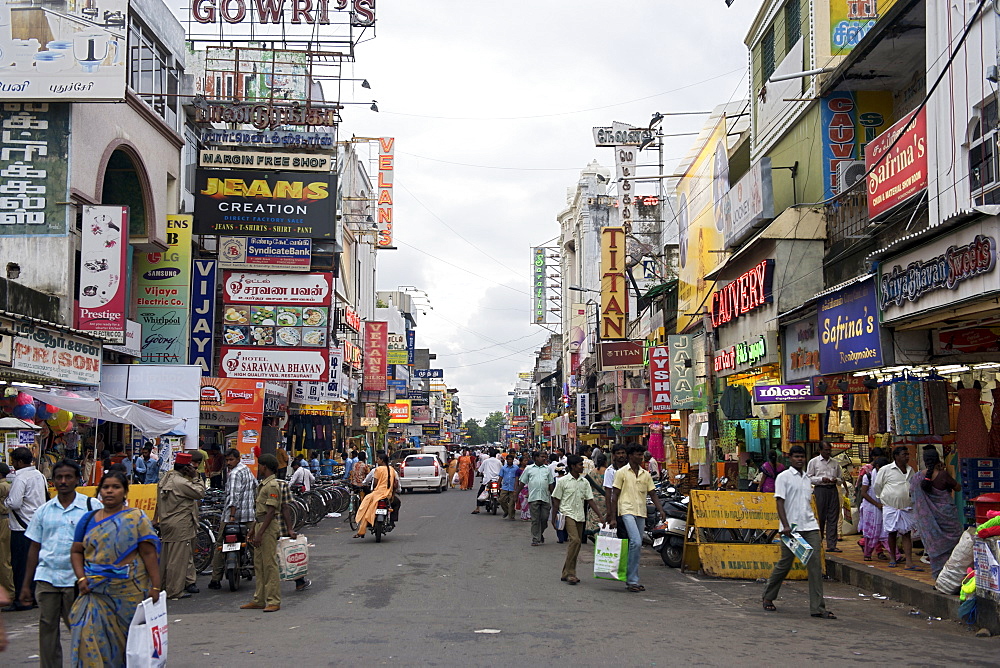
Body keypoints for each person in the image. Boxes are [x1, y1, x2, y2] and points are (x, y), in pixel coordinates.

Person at [69, 471, 162, 665]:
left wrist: (155, 586)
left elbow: (148, 553)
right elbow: (76, 551)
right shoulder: (88, 520)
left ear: (125, 492)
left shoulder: (136, 518)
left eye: (116, 487)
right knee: (89, 641)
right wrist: (81, 578)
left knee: (127, 647)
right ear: (99, 491)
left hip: (129, 594)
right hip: (94, 593)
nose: (110, 491)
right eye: (106, 487)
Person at [19, 460, 95, 668]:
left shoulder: (90, 507)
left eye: (68, 477)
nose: (63, 481)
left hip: (78, 581)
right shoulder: (43, 511)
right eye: (59, 477)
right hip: (48, 579)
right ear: (52, 481)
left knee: (81, 631)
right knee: (47, 631)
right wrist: (27, 584)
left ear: (78, 480)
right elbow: (34, 547)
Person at [762, 445, 835, 618]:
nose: (799, 459)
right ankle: (768, 596)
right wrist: (785, 525)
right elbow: (779, 502)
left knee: (815, 565)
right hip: (792, 530)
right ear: (790, 458)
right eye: (796, 457)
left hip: (810, 526)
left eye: (802, 456)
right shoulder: (783, 477)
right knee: (785, 563)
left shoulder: (806, 479)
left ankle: (817, 607)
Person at [610, 445, 666, 592]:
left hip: (641, 511)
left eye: (641, 455)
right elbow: (614, 495)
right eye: (638, 455)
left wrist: (661, 510)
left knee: (637, 543)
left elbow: (653, 493)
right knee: (635, 541)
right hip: (626, 510)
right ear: (630, 456)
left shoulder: (645, 474)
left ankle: (631, 577)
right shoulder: (621, 473)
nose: (640, 457)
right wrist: (613, 517)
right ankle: (632, 579)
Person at [154, 451, 205, 600]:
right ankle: (174, 591)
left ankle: (163, 586)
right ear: (185, 469)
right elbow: (199, 492)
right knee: (178, 559)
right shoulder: (181, 483)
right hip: (180, 524)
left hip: (166, 521)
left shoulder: (166, 478)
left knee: (166, 557)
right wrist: (196, 478)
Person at [4, 446, 47, 612]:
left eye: (13, 461)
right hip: (37, 526)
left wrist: (6, 502)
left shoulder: (21, 478)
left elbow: (14, 502)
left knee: (20, 565)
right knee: (34, 565)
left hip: (21, 528)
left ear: (20, 462)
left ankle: (22, 600)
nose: (13, 464)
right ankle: (34, 597)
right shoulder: (39, 475)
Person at [209, 449, 258, 589]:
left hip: (232, 516)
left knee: (220, 545)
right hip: (249, 515)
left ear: (238, 459)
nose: (229, 463)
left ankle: (215, 579)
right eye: (227, 460)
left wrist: (231, 516)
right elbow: (255, 486)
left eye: (231, 460)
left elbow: (234, 497)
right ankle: (260, 573)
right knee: (253, 543)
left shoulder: (235, 473)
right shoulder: (246, 470)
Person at [911, 446, 963, 578]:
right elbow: (957, 487)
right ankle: (951, 578)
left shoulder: (917, 478)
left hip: (929, 523)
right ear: (937, 459)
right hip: (947, 519)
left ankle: (939, 577)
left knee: (936, 550)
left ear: (924, 460)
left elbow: (911, 495)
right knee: (954, 547)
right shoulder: (943, 475)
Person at [241, 455, 285, 612]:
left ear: (265, 467)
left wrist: (260, 532)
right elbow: (260, 512)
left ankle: (273, 600)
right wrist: (254, 529)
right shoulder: (263, 484)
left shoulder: (272, 485)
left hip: (267, 527)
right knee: (258, 564)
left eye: (259, 466)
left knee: (269, 564)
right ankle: (259, 599)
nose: (258, 469)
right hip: (260, 524)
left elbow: (271, 511)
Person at [551, 455, 603, 585]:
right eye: (580, 465)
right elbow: (556, 500)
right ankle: (571, 573)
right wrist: (553, 518)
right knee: (575, 540)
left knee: (577, 544)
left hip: (580, 515)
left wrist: (600, 516)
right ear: (573, 466)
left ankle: (565, 572)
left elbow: (590, 500)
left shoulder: (584, 482)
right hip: (567, 514)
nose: (582, 467)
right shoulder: (563, 481)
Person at [874, 446, 917, 569]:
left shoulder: (910, 470)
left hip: (906, 507)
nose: (907, 457)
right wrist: (884, 497)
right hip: (890, 506)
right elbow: (877, 486)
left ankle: (909, 561)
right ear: (896, 456)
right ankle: (893, 557)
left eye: (908, 454)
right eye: (904, 454)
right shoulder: (886, 470)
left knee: (906, 533)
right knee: (892, 533)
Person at [806, 442, 846, 552]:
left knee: (833, 517)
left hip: (832, 490)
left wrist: (835, 480)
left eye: (829, 450)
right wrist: (821, 479)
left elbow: (841, 478)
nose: (828, 452)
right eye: (826, 450)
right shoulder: (813, 462)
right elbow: (808, 478)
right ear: (820, 450)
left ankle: (832, 544)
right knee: (820, 517)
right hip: (820, 490)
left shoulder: (835, 463)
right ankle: (818, 542)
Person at [352, 451, 400, 539]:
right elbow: (396, 484)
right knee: (397, 502)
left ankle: (362, 528)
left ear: (382, 460)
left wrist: (373, 490)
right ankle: (392, 521)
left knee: (366, 506)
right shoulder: (392, 470)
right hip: (388, 494)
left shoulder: (377, 469)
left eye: (378, 459)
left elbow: (375, 484)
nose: (377, 461)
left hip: (378, 493)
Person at [517, 451, 556, 547]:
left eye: (545, 457)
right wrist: (516, 493)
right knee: (535, 520)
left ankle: (540, 533)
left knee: (544, 519)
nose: (544, 459)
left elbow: (551, 484)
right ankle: (535, 538)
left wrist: (554, 498)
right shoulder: (529, 469)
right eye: (542, 457)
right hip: (533, 498)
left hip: (545, 498)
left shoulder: (547, 469)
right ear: (536, 458)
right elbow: (522, 482)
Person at [858, 456, 892, 562]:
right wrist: (876, 504)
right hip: (871, 508)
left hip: (883, 507)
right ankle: (867, 553)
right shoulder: (868, 477)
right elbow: (863, 493)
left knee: (886, 532)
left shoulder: (887, 476)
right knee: (870, 533)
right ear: (877, 467)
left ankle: (895, 555)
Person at [584, 454, 609, 542]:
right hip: (605, 500)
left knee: (595, 518)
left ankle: (594, 534)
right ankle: (600, 537)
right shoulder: (608, 472)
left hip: (594, 499)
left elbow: (588, 485)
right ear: (606, 462)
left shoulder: (592, 472)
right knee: (603, 519)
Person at [472, 449, 503, 515]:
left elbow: (480, 470)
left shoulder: (486, 461)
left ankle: (477, 508)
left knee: (480, 494)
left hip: (487, 481)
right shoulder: (498, 462)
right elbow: (502, 470)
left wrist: (480, 473)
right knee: (502, 492)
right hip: (497, 480)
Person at [0, 463, 13, 600]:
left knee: (3, 559)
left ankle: (9, 592)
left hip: (2, 521)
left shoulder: (2, 486)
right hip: (7, 521)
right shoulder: (9, 485)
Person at [498, 454, 519, 520]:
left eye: (511, 459)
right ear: (506, 460)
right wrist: (498, 485)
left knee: (512, 503)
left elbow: (517, 478)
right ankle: (506, 511)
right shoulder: (503, 468)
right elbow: (500, 477)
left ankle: (512, 515)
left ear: (513, 460)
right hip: (505, 487)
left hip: (513, 487)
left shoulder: (516, 468)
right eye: (508, 459)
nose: (510, 461)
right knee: (501, 500)